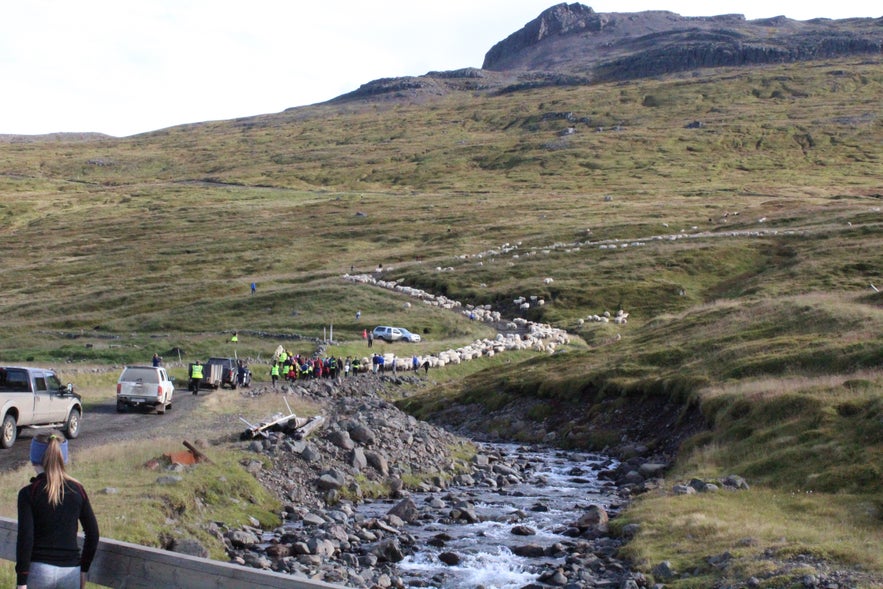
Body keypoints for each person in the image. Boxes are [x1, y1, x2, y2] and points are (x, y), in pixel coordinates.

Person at [17, 432, 99, 589]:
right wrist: (84, 570)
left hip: (39, 570)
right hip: (71, 571)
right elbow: (93, 534)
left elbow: (25, 538)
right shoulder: (78, 490)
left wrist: (21, 581)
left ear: (34, 459)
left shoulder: (29, 493)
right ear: (63, 458)